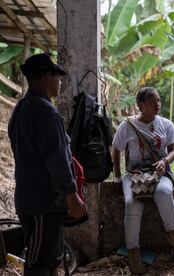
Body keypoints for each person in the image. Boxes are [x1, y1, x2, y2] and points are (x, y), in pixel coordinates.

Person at [8, 53, 87, 276]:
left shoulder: (21, 108)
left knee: (49, 259)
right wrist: (71, 194)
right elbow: (57, 159)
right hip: (43, 201)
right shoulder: (46, 112)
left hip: (30, 197)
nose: (59, 82)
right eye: (56, 76)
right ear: (44, 77)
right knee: (40, 263)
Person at [111, 87, 174, 274]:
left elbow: (173, 151)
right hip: (133, 174)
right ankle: (133, 252)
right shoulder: (127, 126)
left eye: (159, 100)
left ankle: (173, 235)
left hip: (159, 173)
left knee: (164, 192)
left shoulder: (166, 124)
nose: (157, 105)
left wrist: (164, 161)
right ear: (141, 105)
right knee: (132, 203)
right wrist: (116, 177)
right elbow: (116, 151)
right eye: (152, 101)